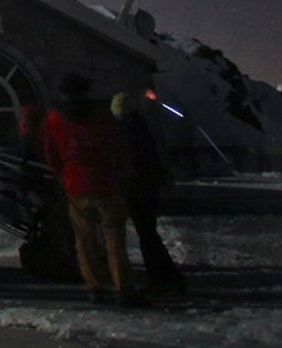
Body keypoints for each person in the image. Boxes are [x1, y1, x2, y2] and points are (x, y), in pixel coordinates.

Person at [43, 74, 141, 305]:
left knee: (84, 237)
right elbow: (118, 146)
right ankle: (123, 286)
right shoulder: (101, 115)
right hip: (105, 180)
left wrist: (62, 174)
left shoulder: (55, 117)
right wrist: (124, 175)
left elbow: (51, 152)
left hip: (75, 182)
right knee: (114, 236)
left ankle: (95, 284)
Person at [113, 91, 184, 294]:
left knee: (147, 233)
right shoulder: (140, 126)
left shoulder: (129, 130)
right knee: (148, 232)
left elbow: (132, 159)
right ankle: (162, 274)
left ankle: (162, 276)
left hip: (139, 187)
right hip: (147, 185)